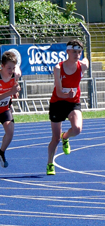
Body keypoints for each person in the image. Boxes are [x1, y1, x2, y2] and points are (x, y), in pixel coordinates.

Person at [46, 40, 89, 175]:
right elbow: (58, 92)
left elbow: (86, 61)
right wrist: (66, 94)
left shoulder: (82, 66)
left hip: (73, 103)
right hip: (58, 102)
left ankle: (66, 137)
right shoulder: (58, 68)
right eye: (74, 52)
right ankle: (50, 163)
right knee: (55, 138)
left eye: (79, 52)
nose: (77, 55)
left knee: (77, 129)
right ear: (68, 52)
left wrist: (85, 57)